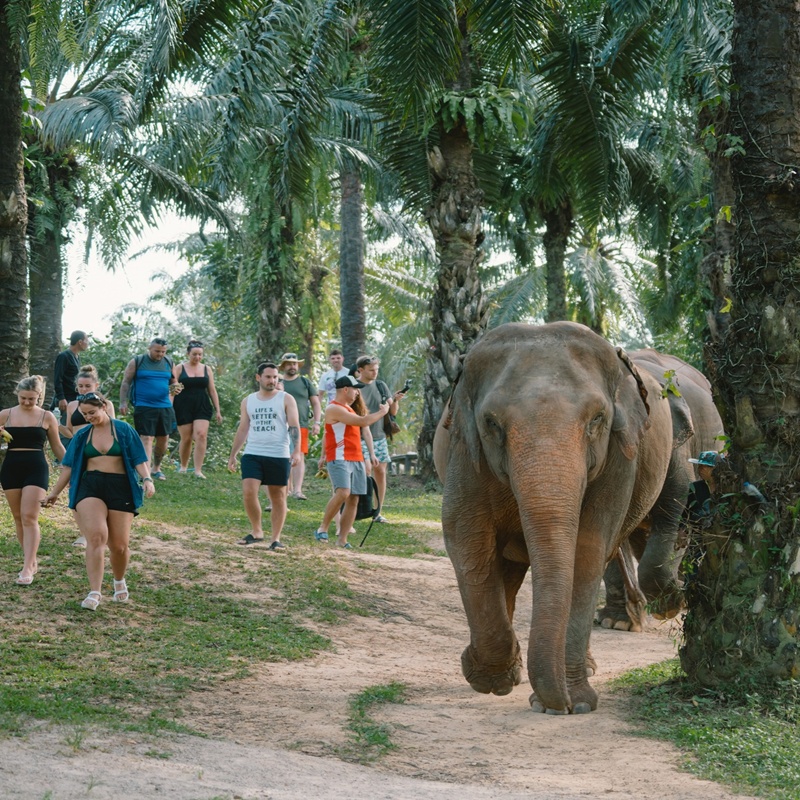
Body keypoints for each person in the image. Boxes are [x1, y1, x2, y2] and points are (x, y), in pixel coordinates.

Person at [44, 392, 155, 610]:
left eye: (92, 412)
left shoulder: (123, 430)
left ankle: (118, 580)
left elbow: (139, 459)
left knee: (119, 546)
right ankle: (95, 591)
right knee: (96, 536)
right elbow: (69, 466)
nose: (88, 417)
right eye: (84, 414)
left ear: (104, 406)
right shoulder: (83, 435)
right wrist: (54, 492)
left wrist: (148, 479)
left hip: (120, 486)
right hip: (90, 485)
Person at [228, 362, 301, 550]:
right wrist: (233, 454)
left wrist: (296, 451)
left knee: (278, 497)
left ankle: (276, 539)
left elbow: (294, 425)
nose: (272, 381)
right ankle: (257, 531)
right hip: (253, 452)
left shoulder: (286, 398)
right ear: (258, 377)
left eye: (275, 377)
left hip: (278, 454)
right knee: (249, 492)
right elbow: (243, 427)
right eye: (268, 377)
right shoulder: (248, 400)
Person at [0, 376, 66, 584]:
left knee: (29, 516)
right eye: (23, 399)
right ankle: (30, 559)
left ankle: (27, 567)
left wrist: (72, 466)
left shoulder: (47, 417)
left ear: (39, 396)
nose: (28, 403)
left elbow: (57, 447)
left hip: (36, 467)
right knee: (19, 517)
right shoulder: (4, 414)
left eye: (32, 399)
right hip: (11, 466)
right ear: (17, 395)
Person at [313, 375, 389, 549]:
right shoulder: (333, 408)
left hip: (356, 458)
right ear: (345, 389)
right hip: (339, 458)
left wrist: (369, 455)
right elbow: (363, 421)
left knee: (354, 498)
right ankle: (322, 528)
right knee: (343, 492)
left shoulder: (349, 409)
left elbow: (363, 428)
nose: (357, 393)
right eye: (355, 389)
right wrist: (383, 412)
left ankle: (343, 539)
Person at [64, 365, 116, 547]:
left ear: (96, 385)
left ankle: (102, 528)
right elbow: (70, 432)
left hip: (98, 452)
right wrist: (54, 424)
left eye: (87, 386)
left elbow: (113, 429)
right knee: (75, 490)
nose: (84, 389)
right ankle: (84, 532)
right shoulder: (72, 405)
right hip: (77, 450)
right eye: (80, 386)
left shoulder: (106, 405)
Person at [119, 337, 181, 480]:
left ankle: (156, 468)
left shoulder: (168, 362)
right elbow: (126, 382)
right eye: (157, 351)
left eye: (163, 352)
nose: (160, 354)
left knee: (163, 439)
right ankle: (145, 473)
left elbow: (174, 382)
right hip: (144, 405)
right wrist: (123, 402)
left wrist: (175, 390)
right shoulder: (137, 361)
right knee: (146, 438)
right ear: (149, 348)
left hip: (165, 406)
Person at [352, 355, 404, 522]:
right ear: (360, 370)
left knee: (380, 472)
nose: (375, 373)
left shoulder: (381, 385)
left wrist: (395, 400)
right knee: (365, 471)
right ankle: (358, 509)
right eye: (371, 370)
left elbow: (392, 411)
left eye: (376, 369)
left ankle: (377, 511)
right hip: (358, 436)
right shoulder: (354, 387)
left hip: (379, 436)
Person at [172, 339, 223, 479]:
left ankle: (198, 470)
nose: (197, 357)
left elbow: (212, 390)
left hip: (202, 405)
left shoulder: (207, 369)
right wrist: (169, 407)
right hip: (183, 405)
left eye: (200, 354)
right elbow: (172, 388)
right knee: (186, 438)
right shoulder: (179, 368)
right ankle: (183, 466)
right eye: (194, 354)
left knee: (201, 434)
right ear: (188, 353)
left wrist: (218, 410)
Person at [279, 352, 321, 500]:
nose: (292, 366)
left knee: (299, 456)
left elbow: (316, 403)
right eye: (289, 363)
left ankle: (297, 490)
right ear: (283, 366)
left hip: (301, 424)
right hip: (281, 425)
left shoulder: (305, 382)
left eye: (294, 363)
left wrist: (317, 422)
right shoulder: (278, 381)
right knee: (284, 456)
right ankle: (287, 488)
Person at [51, 330, 89, 415]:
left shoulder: (77, 356)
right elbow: (57, 379)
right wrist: (61, 398)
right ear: (80, 342)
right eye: (86, 341)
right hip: (65, 399)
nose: (87, 344)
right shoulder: (63, 356)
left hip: (74, 398)